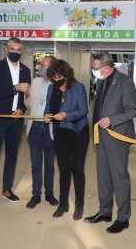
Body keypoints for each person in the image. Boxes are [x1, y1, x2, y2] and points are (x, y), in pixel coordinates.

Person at [84, 51, 136, 234]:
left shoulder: (125, 82)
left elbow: (132, 111)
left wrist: (111, 120)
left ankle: (123, 218)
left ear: (106, 67)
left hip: (117, 138)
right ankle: (105, 212)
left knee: (119, 179)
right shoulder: (100, 81)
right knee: (103, 178)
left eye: (95, 68)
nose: (94, 71)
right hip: (101, 137)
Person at [0, 37, 31, 211]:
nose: (16, 52)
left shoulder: (26, 70)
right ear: (6, 49)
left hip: (16, 121)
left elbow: (26, 96)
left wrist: (21, 109)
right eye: (13, 49)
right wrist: (15, 87)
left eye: (19, 50)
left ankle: (7, 190)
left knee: (12, 156)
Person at [43, 59, 89, 220]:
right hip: (60, 131)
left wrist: (65, 115)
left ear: (66, 74)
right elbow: (48, 108)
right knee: (64, 169)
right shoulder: (51, 88)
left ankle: (79, 205)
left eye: (59, 77)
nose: (56, 80)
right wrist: (47, 117)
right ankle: (63, 204)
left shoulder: (78, 87)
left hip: (78, 131)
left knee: (77, 168)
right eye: (53, 77)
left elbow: (83, 110)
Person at [24, 56, 59, 209]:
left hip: (50, 130)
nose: (40, 67)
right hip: (35, 128)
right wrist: (27, 96)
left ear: (52, 68)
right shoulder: (35, 81)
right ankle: (36, 194)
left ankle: (49, 194)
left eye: (43, 65)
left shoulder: (59, 84)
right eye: (41, 64)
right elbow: (28, 104)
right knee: (36, 164)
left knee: (50, 165)